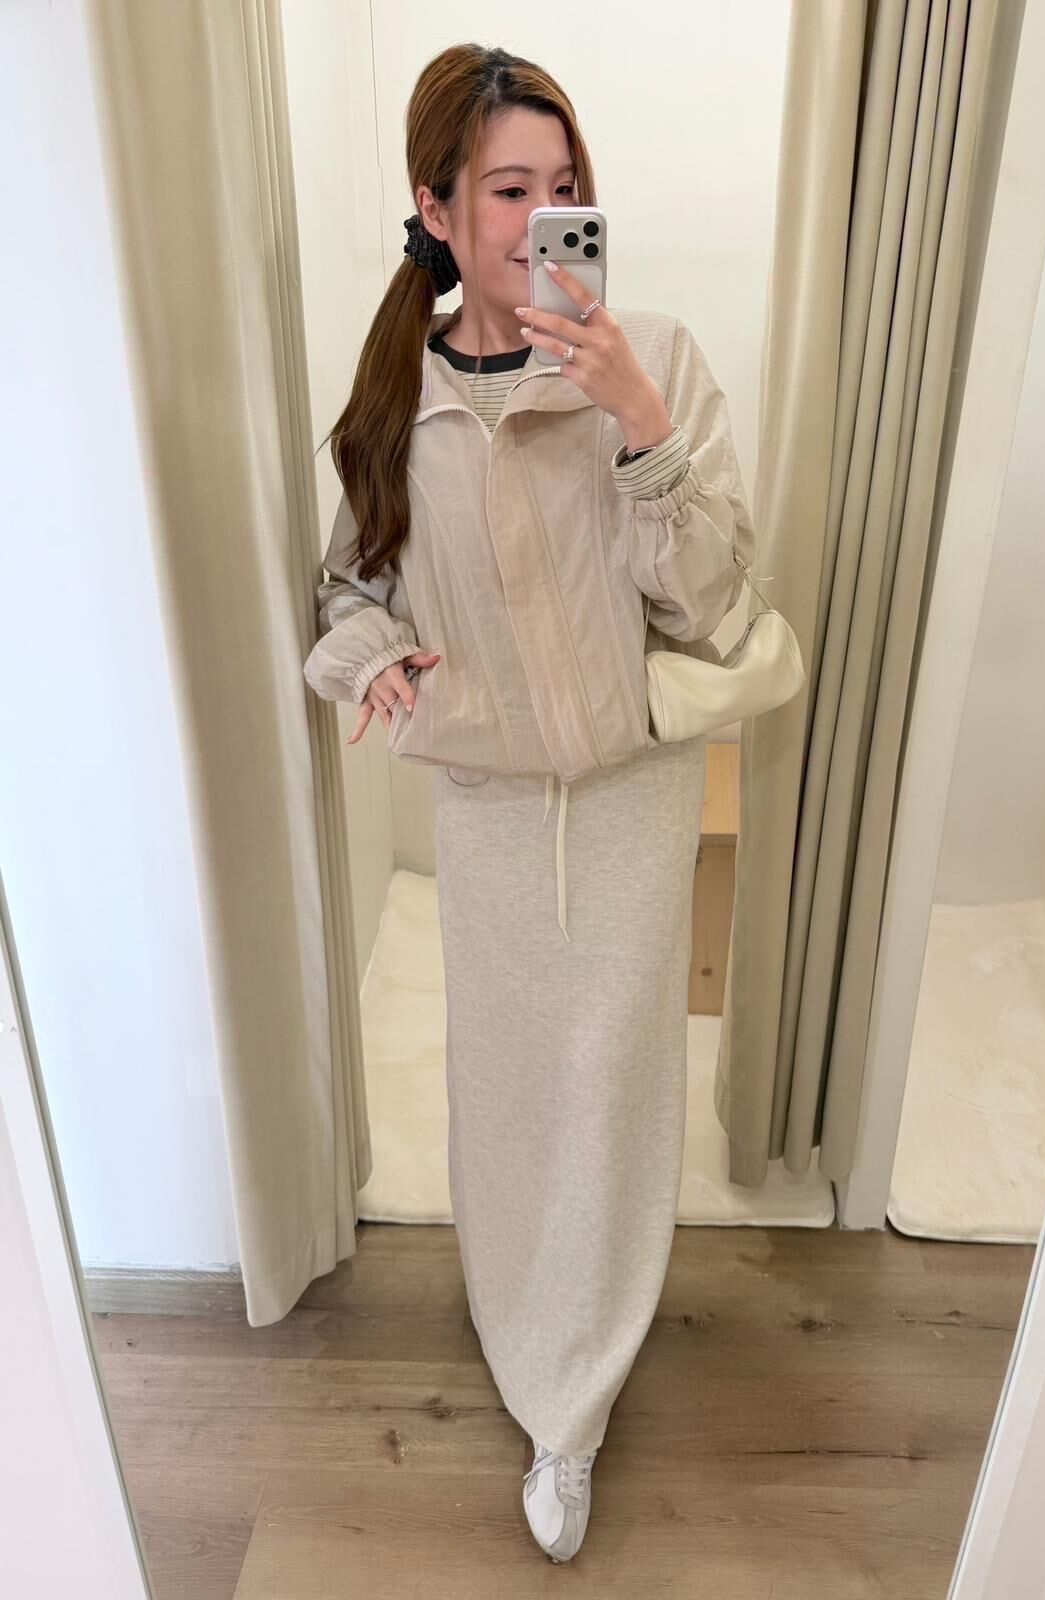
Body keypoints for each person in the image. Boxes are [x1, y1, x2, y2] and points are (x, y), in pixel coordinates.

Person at [302, 43, 755, 1564]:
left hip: (631, 788)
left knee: (615, 1082)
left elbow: (713, 602)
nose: (545, 216)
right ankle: (520, 1323)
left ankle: (581, 1396)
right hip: (488, 800)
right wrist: (371, 661)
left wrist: (637, 422)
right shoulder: (394, 400)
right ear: (435, 208)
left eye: (566, 187)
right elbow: (347, 589)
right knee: (505, 1079)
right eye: (509, 189)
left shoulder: (657, 357)